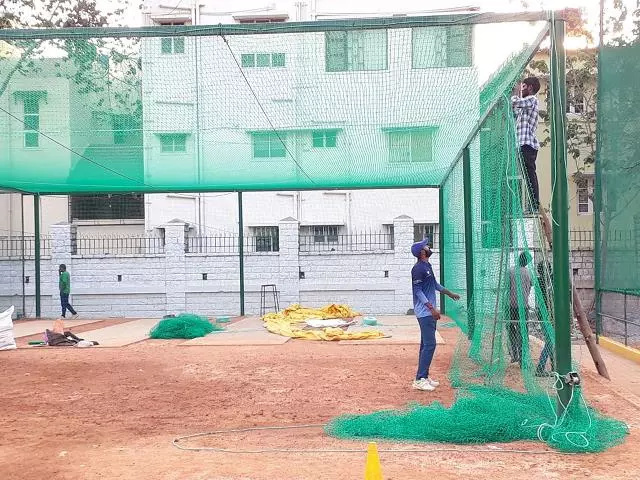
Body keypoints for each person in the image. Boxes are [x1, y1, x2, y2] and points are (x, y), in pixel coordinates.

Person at [410, 239, 460, 391]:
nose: (429, 247)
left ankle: (423, 376)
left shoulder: (427, 266)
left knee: (425, 344)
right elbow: (418, 291)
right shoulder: (418, 269)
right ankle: (419, 379)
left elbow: (435, 285)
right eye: (426, 246)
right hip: (425, 313)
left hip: (428, 312)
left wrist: (449, 293)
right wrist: (431, 308)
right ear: (422, 252)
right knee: (430, 344)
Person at [512, 77, 541, 213]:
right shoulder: (524, 106)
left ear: (530, 88)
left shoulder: (532, 100)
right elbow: (514, 110)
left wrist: (515, 93)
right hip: (521, 144)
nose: (521, 89)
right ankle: (531, 204)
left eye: (523, 86)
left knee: (530, 174)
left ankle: (534, 205)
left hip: (527, 144)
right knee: (526, 176)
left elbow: (516, 102)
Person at [507, 252, 532, 366]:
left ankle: (514, 354)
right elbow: (530, 285)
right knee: (522, 331)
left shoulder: (511, 271)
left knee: (511, 328)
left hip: (511, 305)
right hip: (524, 306)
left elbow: (507, 286)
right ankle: (522, 358)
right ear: (526, 262)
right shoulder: (528, 273)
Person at [535, 261, 554, 376]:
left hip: (542, 313)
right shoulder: (549, 281)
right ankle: (540, 368)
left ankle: (554, 365)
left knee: (550, 340)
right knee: (550, 341)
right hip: (548, 314)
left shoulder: (539, 281)